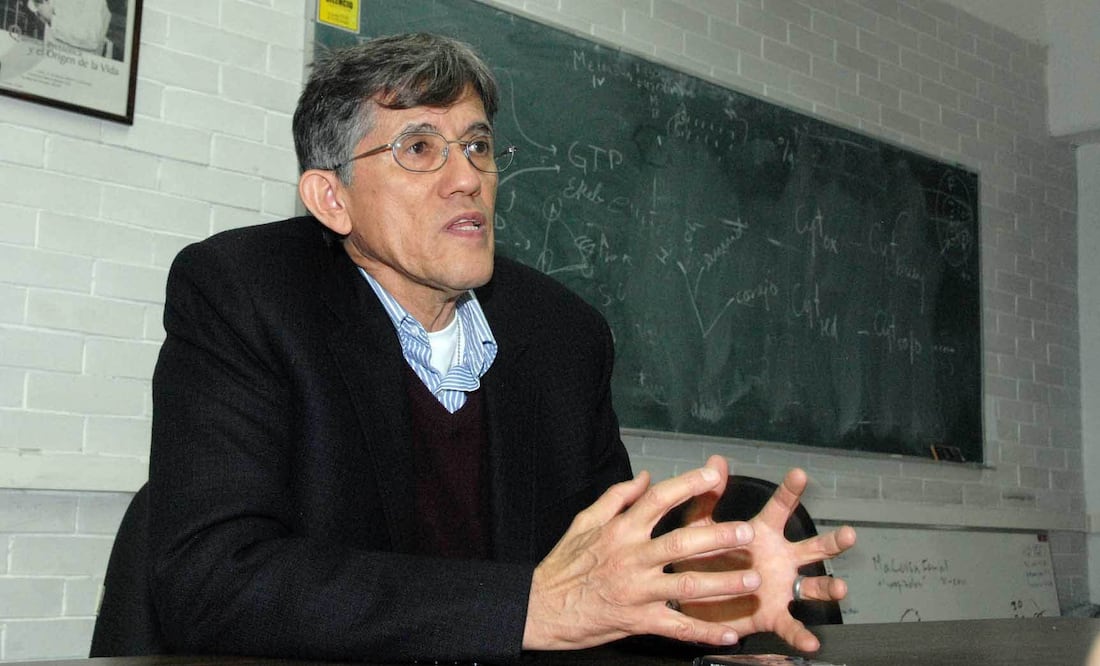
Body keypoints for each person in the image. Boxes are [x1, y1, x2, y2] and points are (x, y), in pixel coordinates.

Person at [147, 32, 856, 662]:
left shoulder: (562, 335)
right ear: (332, 199)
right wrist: (523, 607)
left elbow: (591, 589)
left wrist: (695, 610)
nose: (468, 179)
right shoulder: (246, 295)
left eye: (479, 146)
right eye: (420, 147)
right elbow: (211, 580)